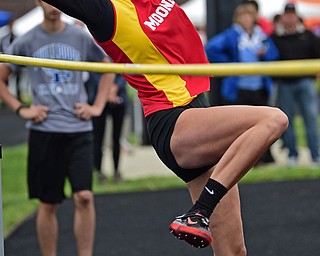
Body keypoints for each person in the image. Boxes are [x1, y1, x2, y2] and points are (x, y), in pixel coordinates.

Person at [41, 0, 288, 255]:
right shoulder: (105, 11)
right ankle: (201, 209)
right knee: (273, 119)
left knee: (234, 251)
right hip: (173, 122)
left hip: (200, 119)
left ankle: (201, 210)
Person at [0, 1, 116, 255]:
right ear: (38, 2)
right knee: (48, 202)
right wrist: (21, 108)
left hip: (79, 130)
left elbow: (108, 68)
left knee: (84, 196)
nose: (55, 5)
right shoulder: (27, 41)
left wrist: (96, 106)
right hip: (45, 131)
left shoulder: (80, 36)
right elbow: (1, 77)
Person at [205, 3, 279, 165]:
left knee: (263, 124)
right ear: (237, 19)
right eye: (243, 16)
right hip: (238, 89)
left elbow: (274, 55)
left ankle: (263, 158)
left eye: (249, 16)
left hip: (259, 87)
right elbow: (210, 49)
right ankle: (239, 160)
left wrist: (264, 54)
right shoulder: (231, 35)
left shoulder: (261, 35)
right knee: (240, 127)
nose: (246, 19)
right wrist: (231, 64)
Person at [271, 3, 320, 166]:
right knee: (286, 120)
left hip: (305, 81)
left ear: (296, 16)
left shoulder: (308, 35)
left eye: (292, 14)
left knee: (310, 118)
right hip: (285, 83)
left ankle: (315, 155)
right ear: (283, 16)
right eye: (287, 14)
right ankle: (292, 154)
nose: (290, 17)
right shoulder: (275, 36)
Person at [85, 72, 128, 184]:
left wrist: (115, 87)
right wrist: (106, 90)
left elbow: (125, 68)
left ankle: (116, 171)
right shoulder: (96, 54)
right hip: (97, 97)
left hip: (118, 97)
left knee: (117, 138)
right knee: (97, 138)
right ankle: (99, 172)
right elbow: (91, 72)